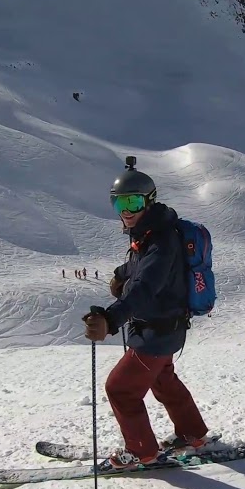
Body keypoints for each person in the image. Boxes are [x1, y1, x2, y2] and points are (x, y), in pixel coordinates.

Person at [82, 157, 211, 469]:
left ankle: (142, 452)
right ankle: (193, 435)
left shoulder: (161, 240)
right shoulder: (151, 231)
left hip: (157, 331)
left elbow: (144, 287)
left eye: (134, 201)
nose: (126, 210)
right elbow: (138, 267)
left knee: (120, 388)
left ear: (149, 201)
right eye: (119, 203)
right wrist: (119, 272)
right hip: (166, 328)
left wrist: (111, 319)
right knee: (164, 380)